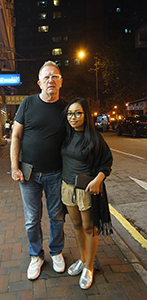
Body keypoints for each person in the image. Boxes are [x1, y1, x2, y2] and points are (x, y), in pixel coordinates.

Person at [10, 61, 66, 280]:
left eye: (55, 76)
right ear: (39, 83)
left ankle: (56, 251)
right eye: (46, 77)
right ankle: (36, 255)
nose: (50, 80)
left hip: (56, 172)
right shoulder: (27, 103)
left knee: (57, 217)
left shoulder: (66, 108)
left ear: (61, 81)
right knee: (32, 219)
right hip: (29, 172)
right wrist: (14, 167)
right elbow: (15, 136)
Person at [61, 98, 113, 289]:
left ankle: (90, 266)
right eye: (70, 113)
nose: (73, 117)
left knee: (89, 227)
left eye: (77, 113)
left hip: (86, 189)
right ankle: (83, 259)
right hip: (67, 187)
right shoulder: (66, 135)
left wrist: (98, 180)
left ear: (86, 115)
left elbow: (106, 162)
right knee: (75, 224)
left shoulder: (94, 138)